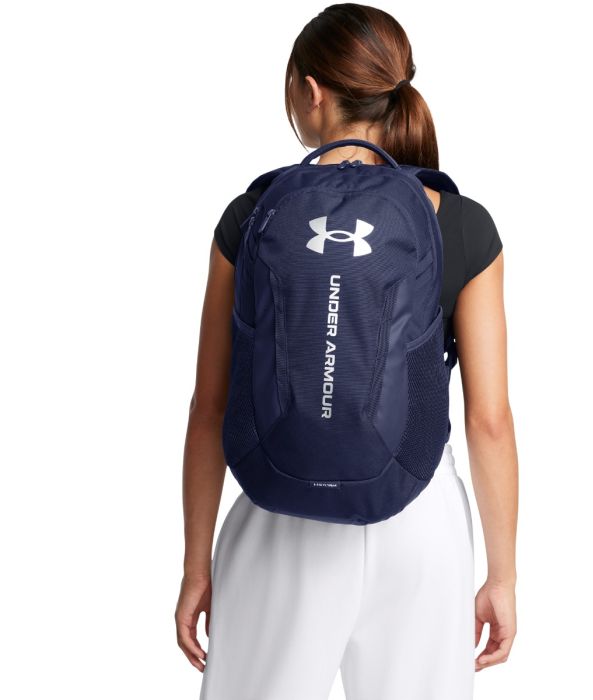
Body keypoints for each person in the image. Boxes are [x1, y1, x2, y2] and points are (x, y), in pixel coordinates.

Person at [175, 4, 518, 699]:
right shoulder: (462, 223)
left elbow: (210, 407)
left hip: (280, 508)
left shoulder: (252, 215)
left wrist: (196, 565)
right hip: (418, 514)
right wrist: (503, 576)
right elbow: (489, 420)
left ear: (310, 91)